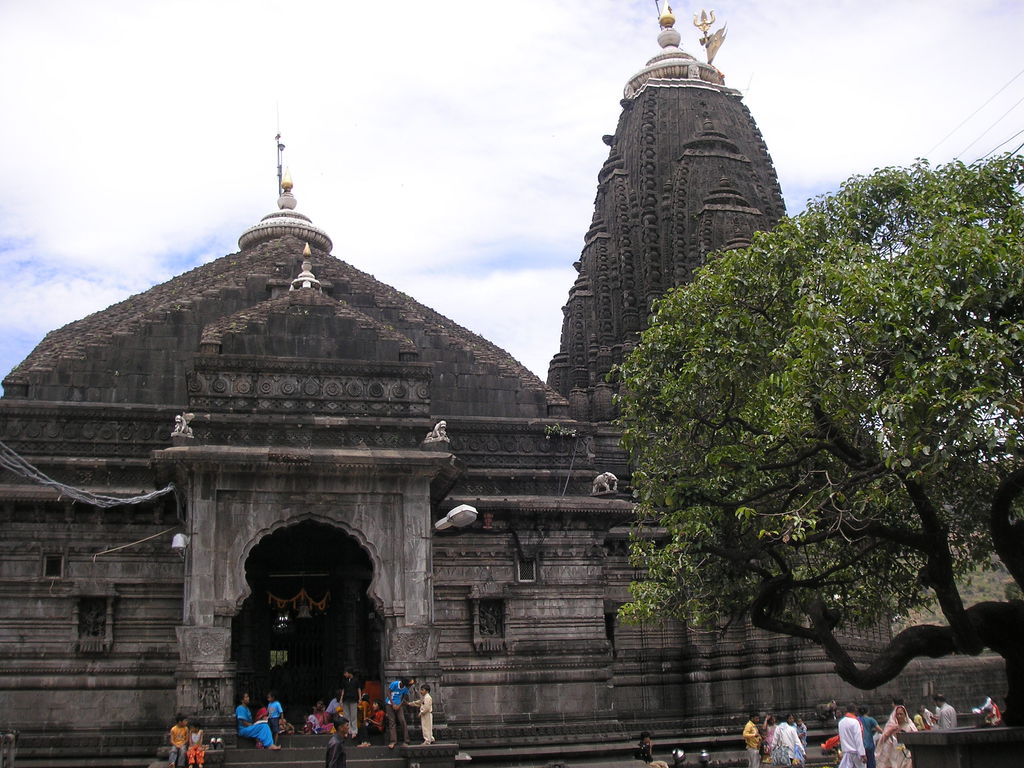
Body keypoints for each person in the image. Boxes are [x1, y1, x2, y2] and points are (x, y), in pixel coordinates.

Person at [875, 703, 916, 768]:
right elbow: (883, 739)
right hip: (893, 752)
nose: (899, 716)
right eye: (897, 714)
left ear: (905, 715)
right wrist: (890, 731)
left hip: (906, 753)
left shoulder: (910, 727)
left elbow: (915, 739)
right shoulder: (891, 726)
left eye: (901, 714)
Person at [386, 677, 415, 748]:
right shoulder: (395, 684)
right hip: (390, 703)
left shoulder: (406, 688)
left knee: (402, 720)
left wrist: (399, 705)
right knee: (392, 722)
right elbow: (388, 692)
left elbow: (403, 697)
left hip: (399, 705)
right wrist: (393, 704)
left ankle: (406, 740)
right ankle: (393, 741)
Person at [837, 703, 866, 768]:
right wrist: (862, 754)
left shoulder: (841, 722)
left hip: (846, 751)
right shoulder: (855, 722)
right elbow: (858, 739)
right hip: (855, 752)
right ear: (855, 711)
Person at [339, 669, 361, 740]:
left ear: (349, 673)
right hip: (346, 699)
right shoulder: (345, 681)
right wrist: (341, 699)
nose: (345, 675)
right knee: (346, 715)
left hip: (353, 699)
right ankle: (347, 730)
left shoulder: (356, 680)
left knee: (353, 715)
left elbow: (358, 689)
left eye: (346, 673)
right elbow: (343, 690)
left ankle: (354, 731)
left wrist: (360, 698)